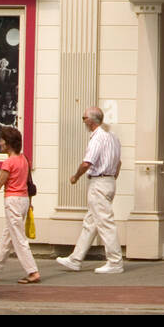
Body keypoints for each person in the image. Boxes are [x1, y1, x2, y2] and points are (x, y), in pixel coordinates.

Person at [56, 106, 124, 274]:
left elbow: (87, 162)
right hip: (108, 181)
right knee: (91, 222)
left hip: (99, 182)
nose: (84, 121)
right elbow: (119, 163)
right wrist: (112, 178)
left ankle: (115, 262)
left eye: (84, 118)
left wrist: (76, 176)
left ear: (91, 120)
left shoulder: (97, 138)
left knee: (104, 223)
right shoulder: (112, 138)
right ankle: (76, 259)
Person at [0, 125, 40, 284]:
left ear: (9, 143)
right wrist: (30, 203)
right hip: (24, 200)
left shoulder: (9, 163)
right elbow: (28, 183)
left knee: (18, 238)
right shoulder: (24, 159)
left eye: (1, 140)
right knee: (8, 236)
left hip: (13, 201)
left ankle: (32, 272)